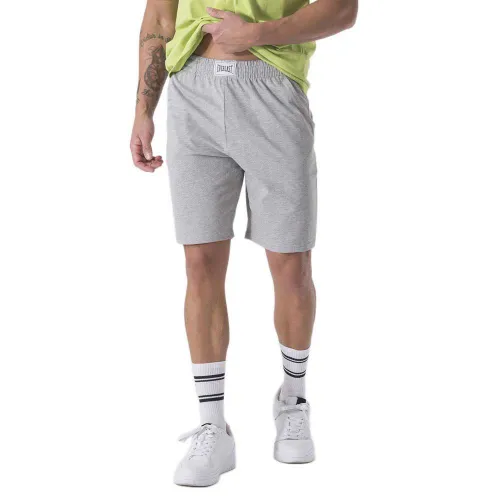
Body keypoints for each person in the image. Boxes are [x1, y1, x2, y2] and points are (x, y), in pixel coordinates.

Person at [130, 0, 357, 487]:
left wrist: (257, 34)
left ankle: (293, 400)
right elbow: (160, 19)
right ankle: (213, 426)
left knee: (291, 262)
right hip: (192, 91)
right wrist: (143, 110)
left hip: (273, 89)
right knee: (199, 264)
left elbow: (343, 9)